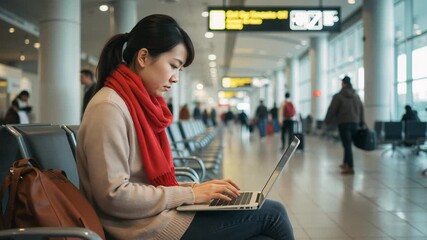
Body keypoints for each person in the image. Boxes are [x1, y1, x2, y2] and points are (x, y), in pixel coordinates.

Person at [76, 14, 294, 240]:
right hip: (140, 229)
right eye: (173, 66)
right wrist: (190, 194)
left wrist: (199, 189)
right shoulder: (110, 107)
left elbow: (145, 181)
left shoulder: (136, 105)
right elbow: (114, 196)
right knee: (273, 214)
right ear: (143, 57)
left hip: (155, 217)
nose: (175, 78)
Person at [325, 76, 364, 175]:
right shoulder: (356, 96)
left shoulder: (338, 96)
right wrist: (361, 122)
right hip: (355, 123)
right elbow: (361, 109)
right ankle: (345, 163)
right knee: (348, 144)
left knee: (347, 145)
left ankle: (350, 167)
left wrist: (327, 121)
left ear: (343, 83)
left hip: (344, 123)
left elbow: (332, 109)